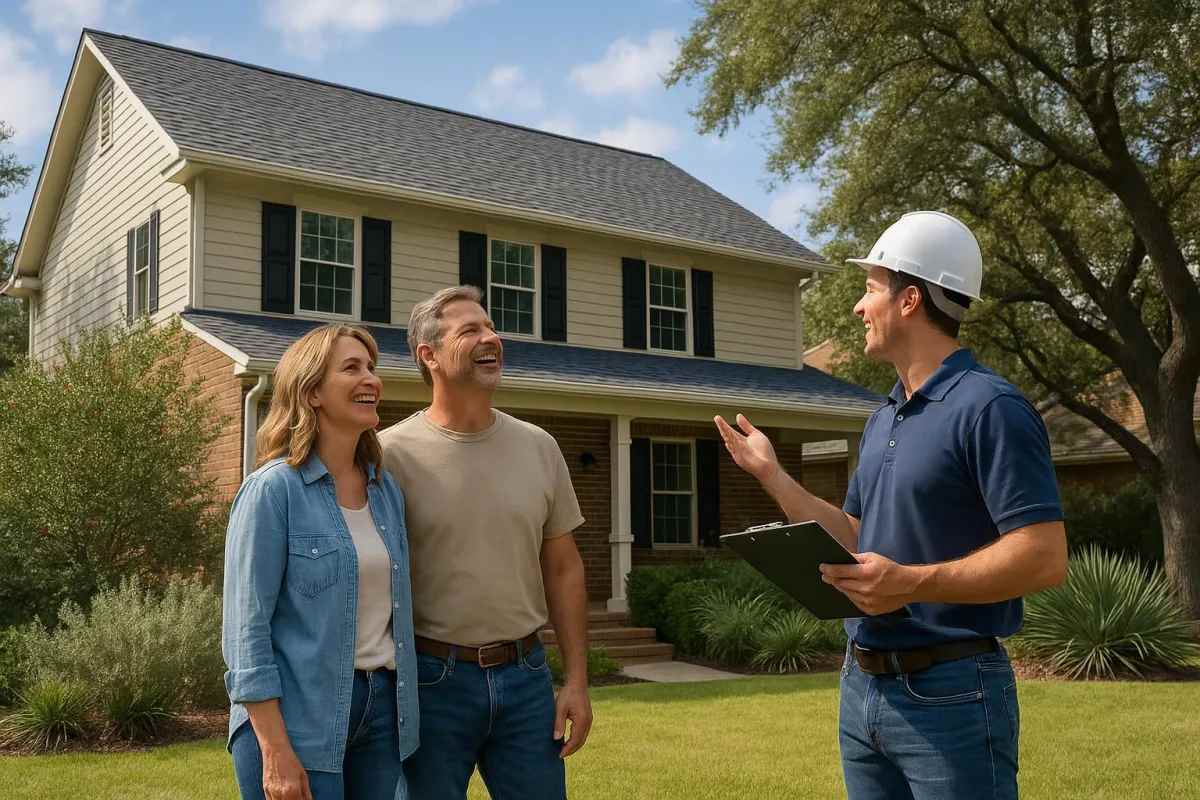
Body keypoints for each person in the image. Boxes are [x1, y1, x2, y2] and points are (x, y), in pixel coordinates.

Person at [715, 211, 1067, 800]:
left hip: (953, 693)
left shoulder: (991, 409)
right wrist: (773, 476)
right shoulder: (883, 418)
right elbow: (857, 533)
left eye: (870, 287)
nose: (858, 307)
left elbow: (1044, 557)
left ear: (909, 299)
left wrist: (912, 583)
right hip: (863, 688)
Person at [379, 285, 591, 800]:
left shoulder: (541, 447)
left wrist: (577, 681)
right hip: (431, 685)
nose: (491, 337)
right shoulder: (388, 456)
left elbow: (564, 568)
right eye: (470, 330)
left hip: (526, 681)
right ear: (428, 354)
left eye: (491, 327)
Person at [222, 324, 419, 800]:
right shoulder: (273, 490)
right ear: (311, 392)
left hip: (381, 713)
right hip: (297, 720)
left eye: (371, 367)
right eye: (351, 368)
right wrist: (274, 748)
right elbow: (246, 634)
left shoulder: (384, 490)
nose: (370, 378)